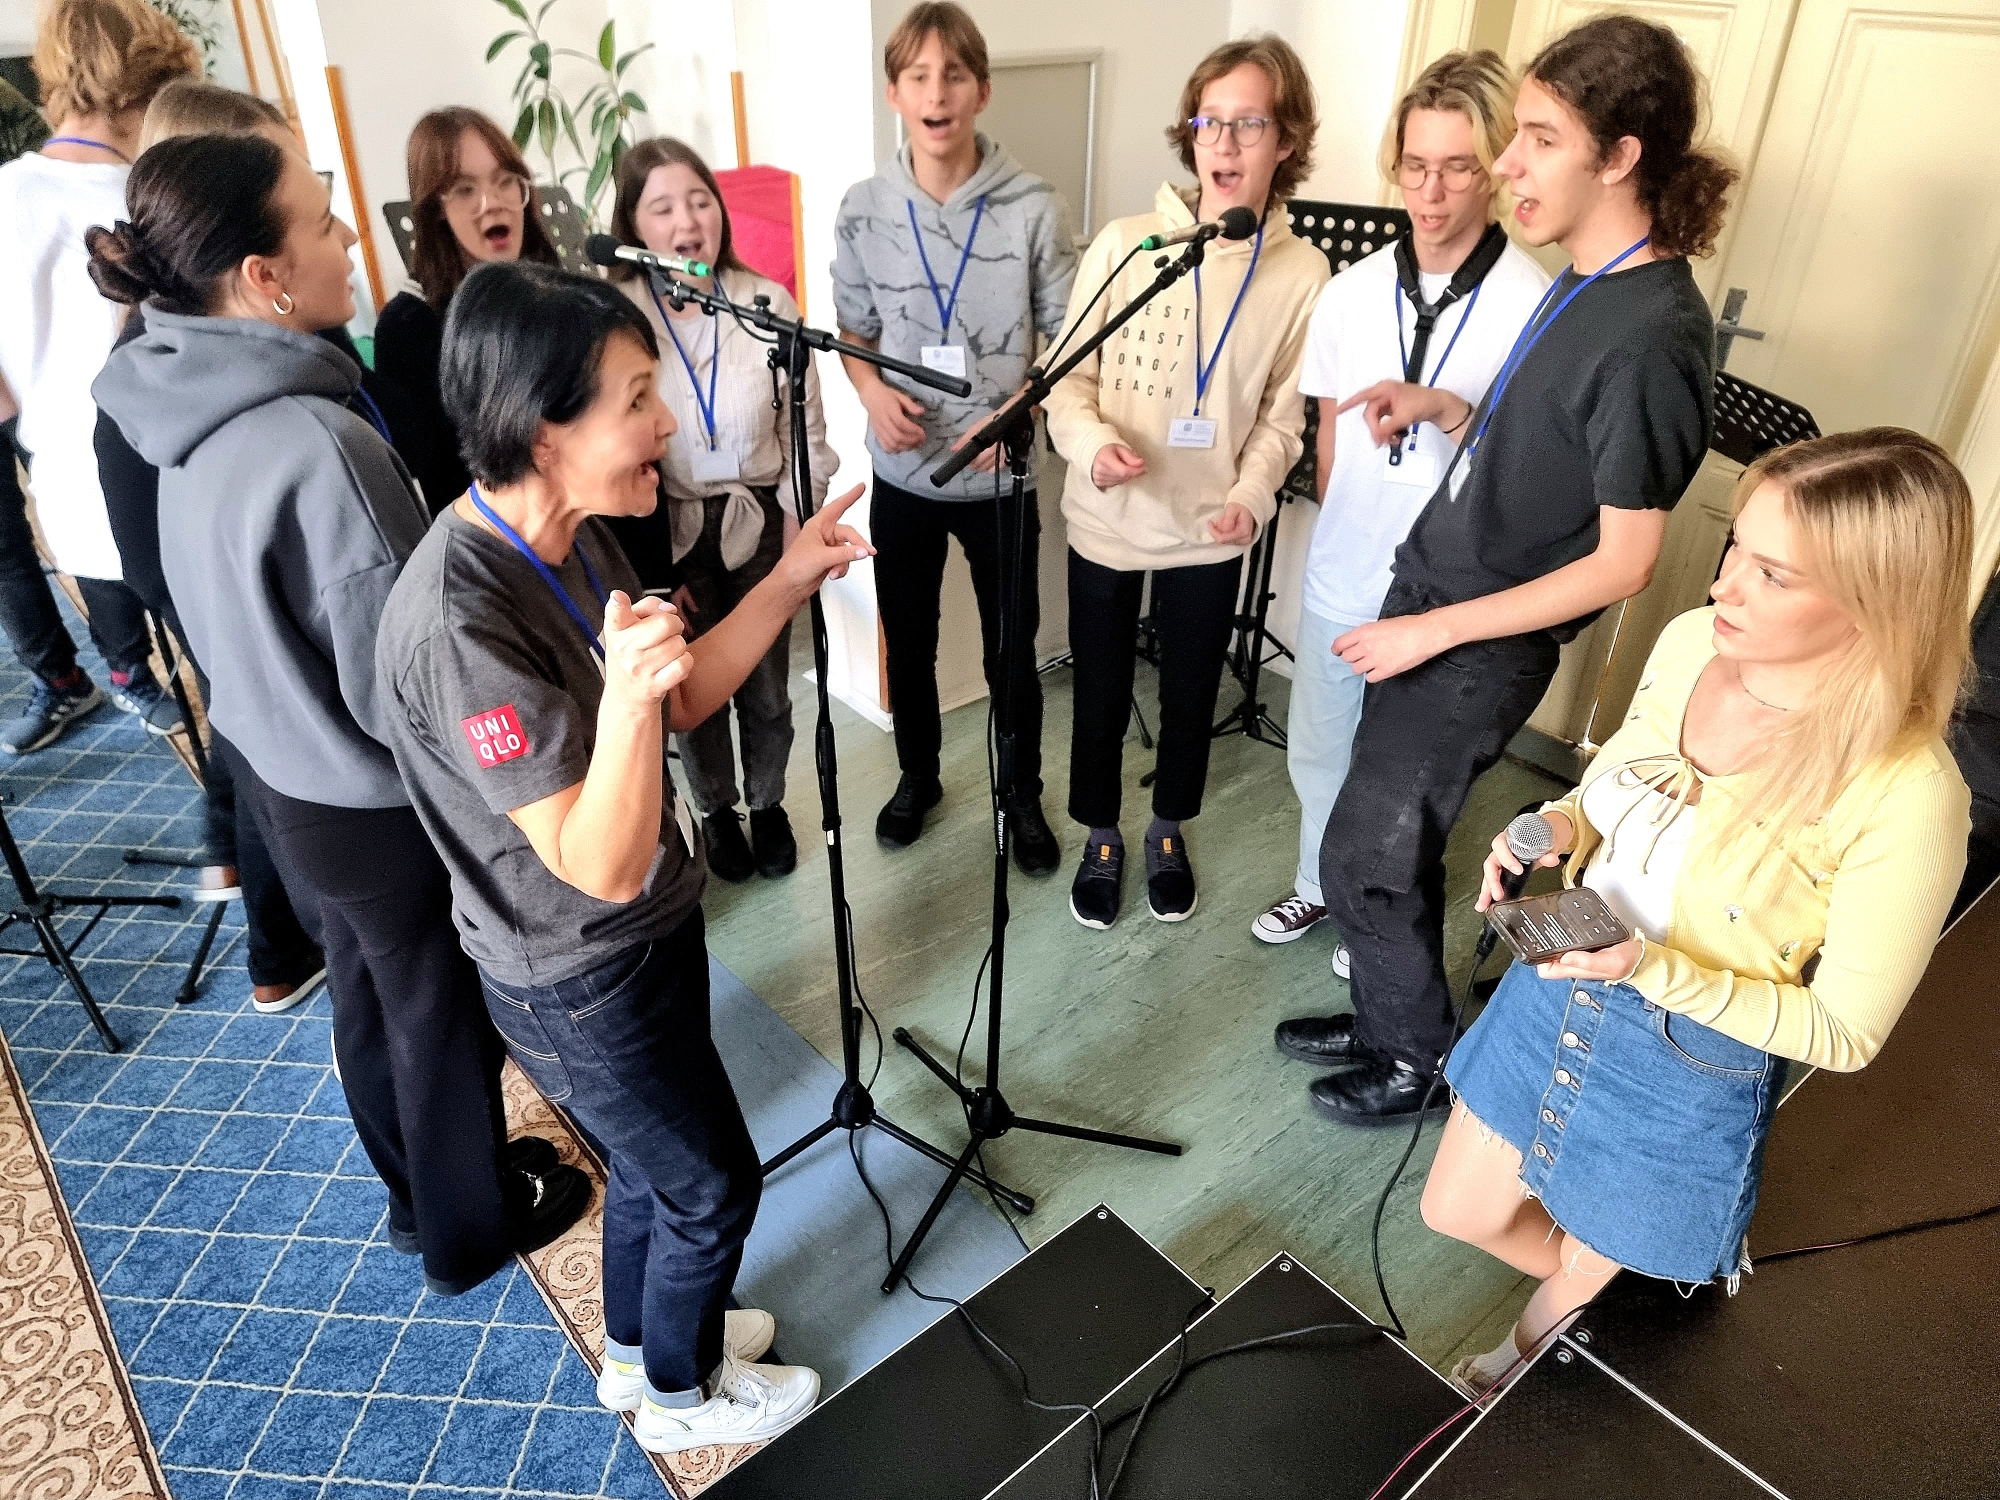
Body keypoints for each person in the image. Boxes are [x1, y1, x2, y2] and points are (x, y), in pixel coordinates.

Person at [375, 260, 870, 1450]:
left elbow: (679, 695)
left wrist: (788, 575)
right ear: (542, 431)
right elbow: (592, 861)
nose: (666, 424)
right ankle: (682, 1403)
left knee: (653, 1168)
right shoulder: (460, 621)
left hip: (640, 931)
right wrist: (631, 703)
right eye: (636, 399)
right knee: (710, 1184)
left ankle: (640, 1353)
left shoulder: (571, 534)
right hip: (576, 969)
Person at [89, 133, 586, 1295]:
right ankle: (465, 1228)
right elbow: (400, 683)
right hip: (370, 793)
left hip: (280, 768)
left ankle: (415, 1193)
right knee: (434, 1013)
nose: (349, 236)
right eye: (321, 222)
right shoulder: (319, 443)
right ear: (263, 276)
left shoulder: (173, 404)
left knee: (369, 993)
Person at [1425, 428, 1973, 1397]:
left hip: (1688, 1057)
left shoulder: (1907, 791)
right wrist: (1556, 825)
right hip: (1563, 974)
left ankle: (1528, 1354)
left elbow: (1844, 1033)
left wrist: (1645, 968)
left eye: (1772, 574)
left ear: (1874, 602)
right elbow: (1612, 782)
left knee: (1575, 1283)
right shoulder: (1689, 641)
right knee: (1456, 1213)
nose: (1723, 586)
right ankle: (1611, 1306)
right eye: (1735, 550)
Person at [1293, 14, 1732, 1121]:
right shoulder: (1588, 278)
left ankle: (1415, 1063)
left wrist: (1433, 630)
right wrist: (1447, 408)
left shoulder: (1651, 336)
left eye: (1539, 139)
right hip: (1432, 601)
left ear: (1618, 155)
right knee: (1375, 842)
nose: (1505, 164)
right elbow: (1543, 443)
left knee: (1369, 855)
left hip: (1471, 641)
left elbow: (1625, 560)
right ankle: (1386, 1018)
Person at [1252, 51, 1550, 977]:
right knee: (1320, 749)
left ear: (1496, 169)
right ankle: (1319, 880)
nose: (1431, 192)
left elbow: (1529, 480)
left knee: (1408, 781)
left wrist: (1449, 410)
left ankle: (1373, 919)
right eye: (1415, 166)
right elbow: (1329, 441)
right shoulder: (1348, 292)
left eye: (1457, 167)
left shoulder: (1536, 305)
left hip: (1451, 591)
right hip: (1346, 570)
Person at [1044, 35, 1329, 928]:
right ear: (1190, 135)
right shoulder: (1127, 246)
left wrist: (1249, 497)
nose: (1226, 144)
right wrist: (1092, 445)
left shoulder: (1304, 272)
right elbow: (1066, 380)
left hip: (1212, 528)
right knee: (1099, 689)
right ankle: (1101, 834)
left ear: (1286, 140)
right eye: (1211, 123)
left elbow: (1283, 418)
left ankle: (1167, 827)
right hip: (1108, 516)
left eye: (1250, 124)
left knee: (1190, 691)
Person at [832, 1, 1078, 865]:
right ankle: (919, 776)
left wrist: (1022, 409)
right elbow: (852, 331)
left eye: (954, 75)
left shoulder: (1034, 205)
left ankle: (1023, 797)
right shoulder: (863, 209)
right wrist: (870, 393)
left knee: (1013, 649)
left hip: (1001, 475)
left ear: (981, 90)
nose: (937, 93)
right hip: (903, 474)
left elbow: (1069, 337)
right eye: (918, 76)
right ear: (895, 93)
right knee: (911, 639)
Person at [605, 135, 837, 882]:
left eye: (700, 200)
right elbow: (616, 450)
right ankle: (717, 813)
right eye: (663, 207)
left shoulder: (767, 303)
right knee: (690, 687)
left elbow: (805, 428)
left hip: (760, 520)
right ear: (633, 225)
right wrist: (648, 577)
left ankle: (767, 803)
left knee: (765, 685)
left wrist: (801, 526)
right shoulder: (617, 317)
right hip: (665, 527)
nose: (687, 221)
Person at [0, 0, 196, 754]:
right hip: (177, 477)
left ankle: (128, 679)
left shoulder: (9, 193)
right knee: (226, 676)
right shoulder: (155, 190)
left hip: (70, 490)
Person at [372, 107, 561, 514]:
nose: (492, 204)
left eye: (505, 181)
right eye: (464, 190)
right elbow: (443, 483)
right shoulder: (408, 327)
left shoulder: (555, 295)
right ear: (436, 209)